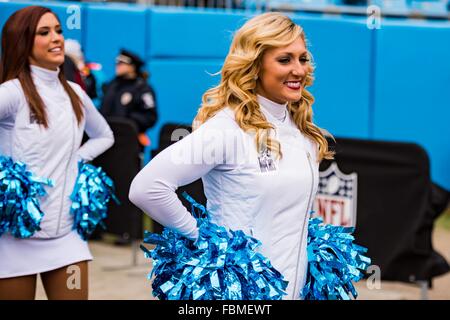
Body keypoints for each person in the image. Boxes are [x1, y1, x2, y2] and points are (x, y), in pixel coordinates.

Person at [129, 12, 334, 300]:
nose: (298, 70)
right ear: (255, 64)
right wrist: (204, 241)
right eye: (284, 59)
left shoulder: (301, 132)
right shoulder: (227, 128)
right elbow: (146, 187)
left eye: (302, 58)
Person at [0, 6, 114, 300]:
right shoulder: (13, 92)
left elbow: (104, 136)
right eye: (44, 32)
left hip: (66, 237)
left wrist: (73, 162)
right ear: (22, 41)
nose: (57, 38)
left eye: (59, 31)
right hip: (14, 237)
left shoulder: (75, 92)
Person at [100, 49, 157, 149]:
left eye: (122, 63)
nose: (117, 65)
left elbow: (150, 116)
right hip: (106, 139)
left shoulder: (142, 88)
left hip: (129, 141)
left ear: (132, 66)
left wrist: (129, 121)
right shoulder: (112, 85)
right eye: (117, 62)